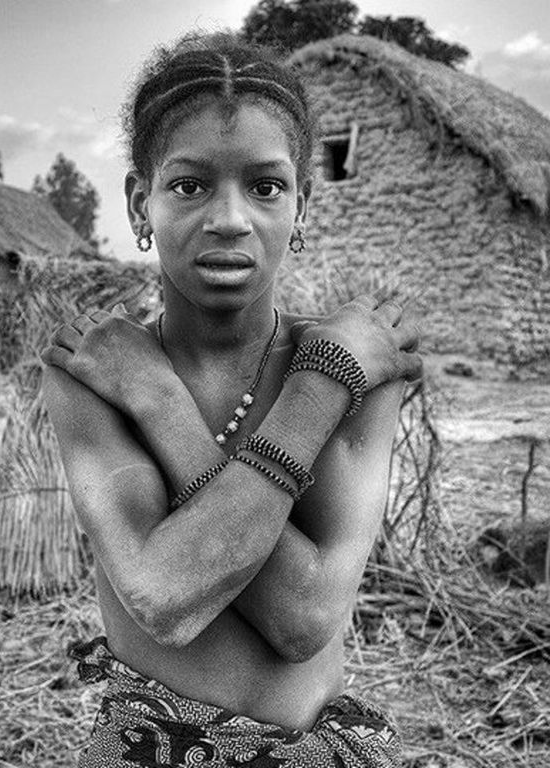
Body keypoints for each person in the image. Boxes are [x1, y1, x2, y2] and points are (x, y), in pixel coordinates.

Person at [40, 31, 422, 768]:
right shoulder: (89, 375)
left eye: (266, 186)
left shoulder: (354, 376)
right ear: (138, 203)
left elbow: (304, 618)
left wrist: (164, 401)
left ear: (302, 207)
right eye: (188, 185)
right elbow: (164, 596)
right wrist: (153, 388)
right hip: (144, 749)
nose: (229, 219)